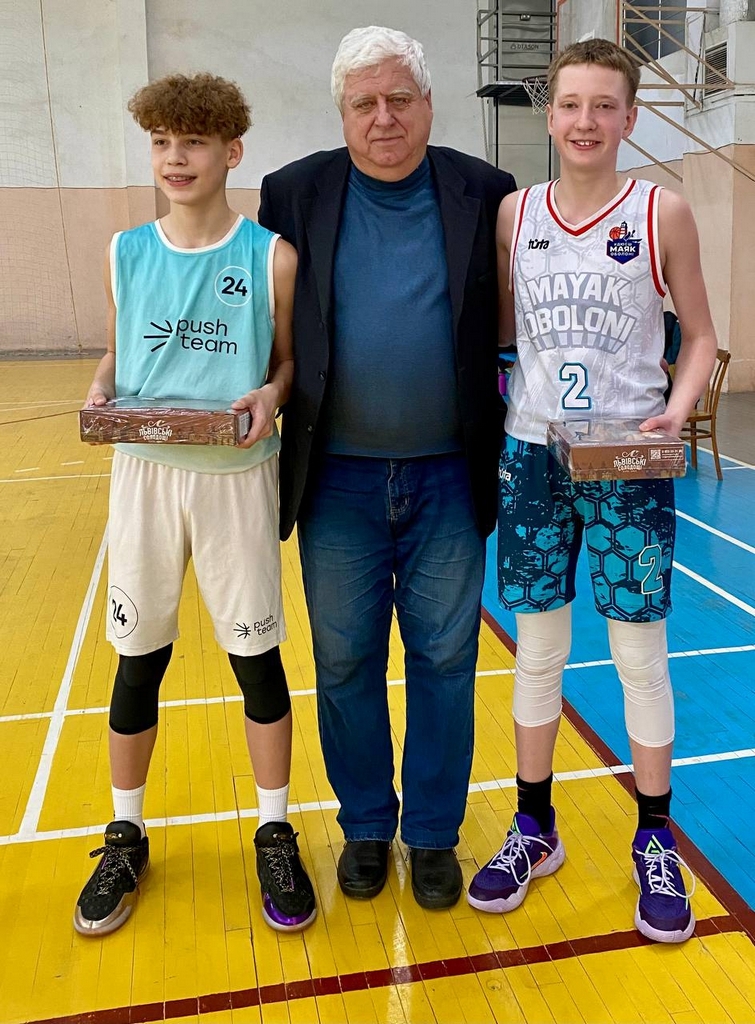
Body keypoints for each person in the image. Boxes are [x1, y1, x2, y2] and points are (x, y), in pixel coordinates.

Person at [258, 26, 516, 909]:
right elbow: (262, 319)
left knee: (445, 660)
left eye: (399, 99)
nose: (383, 119)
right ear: (341, 112)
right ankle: (366, 824)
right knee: (343, 662)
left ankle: (434, 834)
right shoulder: (292, 193)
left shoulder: (486, 190)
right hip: (336, 479)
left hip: (448, 474)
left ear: (428, 104)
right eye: (363, 103)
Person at [467, 39, 717, 943]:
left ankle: (654, 839)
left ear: (629, 118)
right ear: (550, 114)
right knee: (537, 650)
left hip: (626, 464)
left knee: (637, 655)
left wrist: (674, 413)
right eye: (570, 104)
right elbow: (503, 331)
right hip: (533, 456)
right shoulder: (515, 213)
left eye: (603, 105)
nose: (584, 121)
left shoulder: (660, 212)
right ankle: (534, 826)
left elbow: (699, 336)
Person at [74, 72, 316, 936]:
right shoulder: (124, 250)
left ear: (231, 152)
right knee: (138, 659)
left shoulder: (270, 256)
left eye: (193, 143)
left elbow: (287, 362)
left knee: (256, 659)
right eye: (161, 142)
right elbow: (117, 354)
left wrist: (272, 395)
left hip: (235, 476)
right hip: (143, 475)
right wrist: (99, 389)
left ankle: (274, 830)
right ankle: (125, 835)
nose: (174, 159)